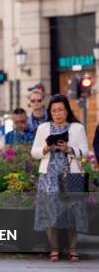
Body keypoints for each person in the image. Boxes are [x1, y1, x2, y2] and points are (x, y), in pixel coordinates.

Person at [31, 94, 89, 262]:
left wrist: (69, 149)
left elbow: (84, 151)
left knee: (73, 212)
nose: (58, 114)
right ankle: (54, 248)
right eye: (54, 111)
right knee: (51, 213)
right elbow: (34, 152)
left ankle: (72, 248)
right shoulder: (43, 128)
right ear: (50, 112)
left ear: (67, 110)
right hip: (49, 175)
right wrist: (46, 148)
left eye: (61, 110)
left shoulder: (77, 128)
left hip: (72, 174)